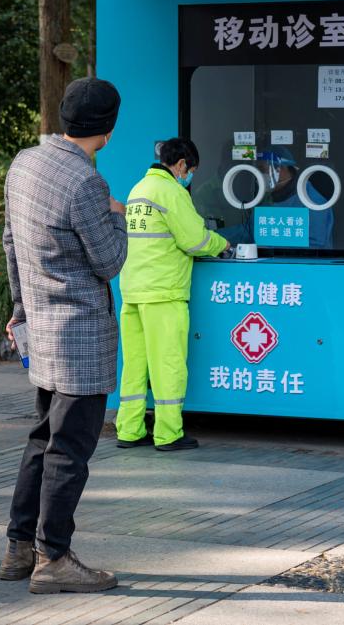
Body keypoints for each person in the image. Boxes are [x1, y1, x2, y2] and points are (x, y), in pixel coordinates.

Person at [0, 77, 128, 594]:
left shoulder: (24, 164)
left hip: (43, 332)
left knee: (41, 440)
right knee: (69, 451)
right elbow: (110, 260)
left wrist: (19, 310)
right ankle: (53, 557)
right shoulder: (86, 183)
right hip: (80, 339)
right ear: (109, 129)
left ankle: (18, 547)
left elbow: (11, 242)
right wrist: (118, 217)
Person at [116, 138, 229, 452]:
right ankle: (168, 433)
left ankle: (129, 429)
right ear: (181, 165)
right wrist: (223, 245)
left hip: (133, 291)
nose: (189, 175)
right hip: (163, 291)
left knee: (135, 364)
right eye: (190, 170)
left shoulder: (138, 190)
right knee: (168, 363)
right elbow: (194, 239)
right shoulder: (171, 192)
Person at [221, 146, 334, 249]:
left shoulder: (312, 201)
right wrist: (214, 236)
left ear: (281, 169)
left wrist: (273, 252)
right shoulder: (269, 197)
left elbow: (315, 246)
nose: (258, 175)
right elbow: (249, 230)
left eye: (262, 170)